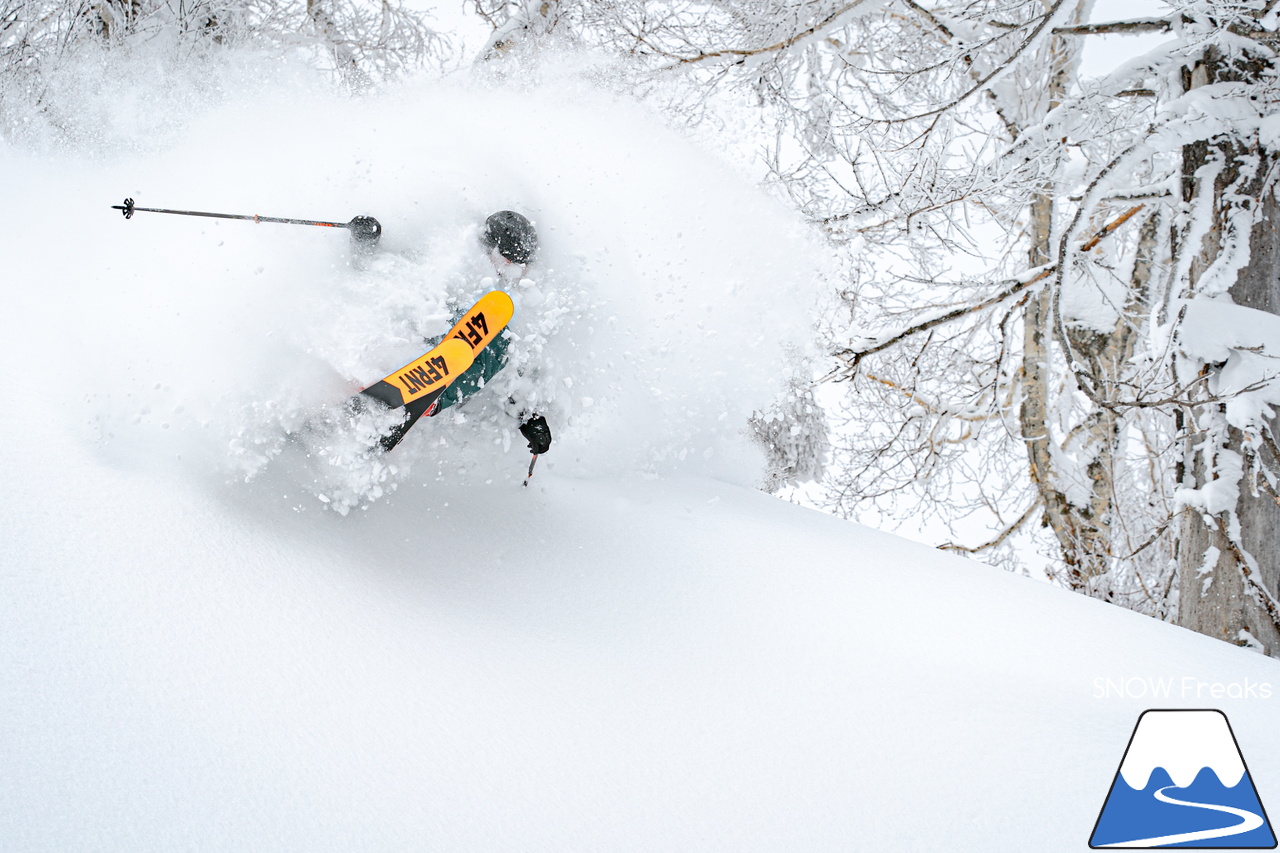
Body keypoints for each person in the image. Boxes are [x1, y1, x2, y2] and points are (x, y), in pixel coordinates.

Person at [375, 210, 552, 456]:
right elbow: (395, 273)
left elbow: (520, 367)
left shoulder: (516, 301)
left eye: (520, 264)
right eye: (511, 261)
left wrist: (531, 416)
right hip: (402, 335)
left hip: (447, 361)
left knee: (500, 340)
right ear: (495, 251)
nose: (515, 270)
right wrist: (367, 244)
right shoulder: (449, 259)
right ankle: (384, 370)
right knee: (423, 303)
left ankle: (429, 392)